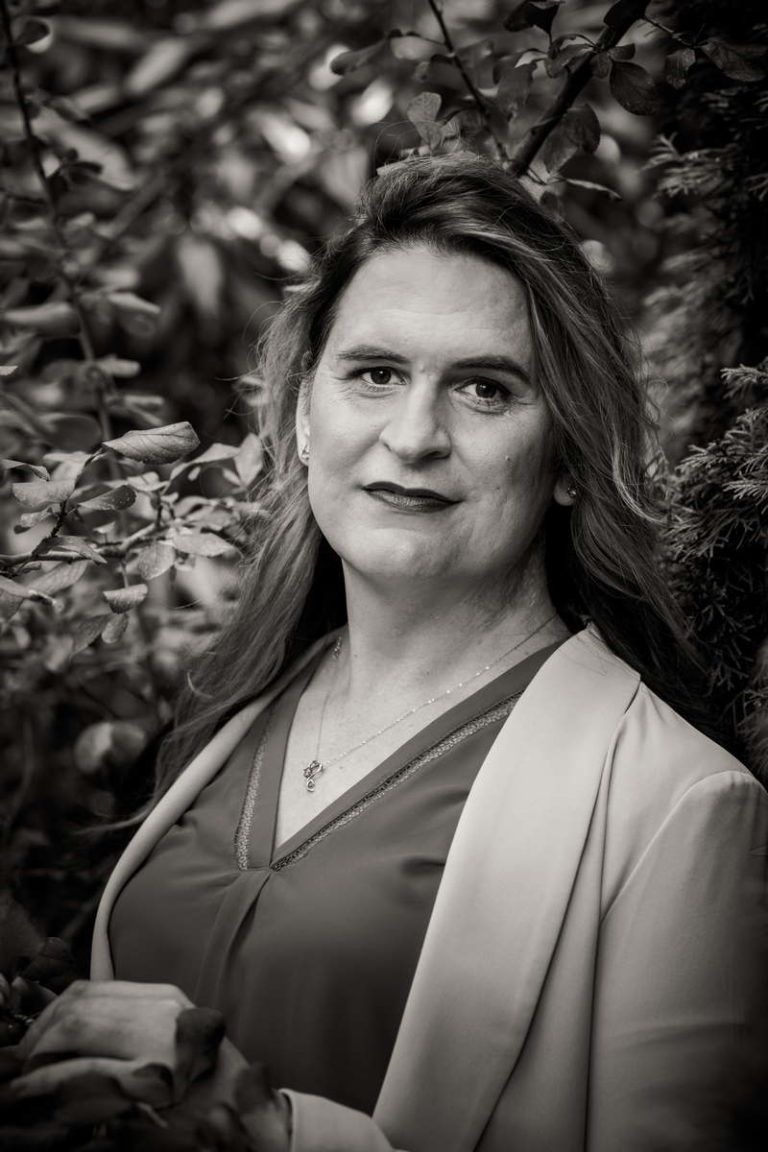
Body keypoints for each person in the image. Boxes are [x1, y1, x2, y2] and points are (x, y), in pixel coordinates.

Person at [9, 155, 768, 1151]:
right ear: (301, 416)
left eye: (485, 390)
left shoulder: (680, 805)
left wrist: (269, 1133)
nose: (414, 435)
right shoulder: (225, 720)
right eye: (374, 374)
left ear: (572, 459)